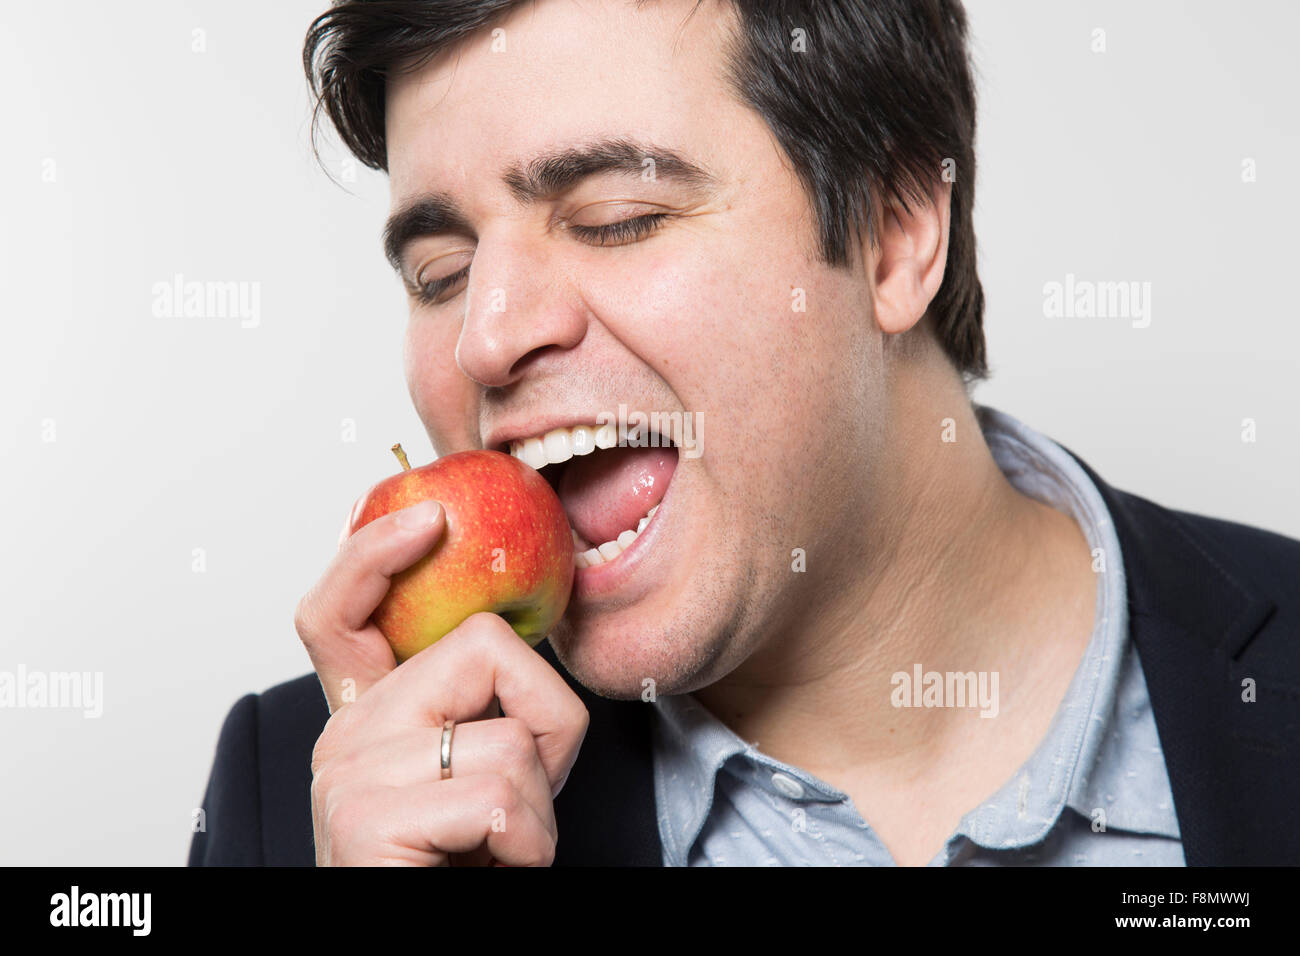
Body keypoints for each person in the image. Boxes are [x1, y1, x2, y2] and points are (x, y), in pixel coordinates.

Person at [190, 0, 1300, 867]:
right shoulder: (315, 803)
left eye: (615, 219)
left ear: (894, 231)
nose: (487, 336)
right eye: (440, 273)